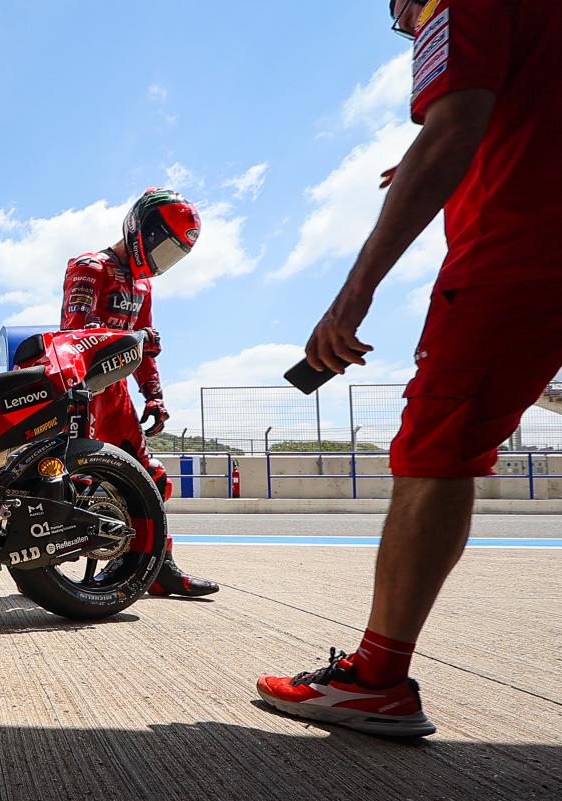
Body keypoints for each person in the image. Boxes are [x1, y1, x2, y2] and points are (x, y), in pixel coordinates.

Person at [257, 0, 562, 736]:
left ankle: (377, 679)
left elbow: (453, 128)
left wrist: (351, 295)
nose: (411, 24)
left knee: (436, 448)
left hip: (519, 253)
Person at [60, 188, 219, 597]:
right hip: (82, 390)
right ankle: (46, 570)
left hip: (116, 394)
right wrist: (134, 338)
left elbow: (145, 349)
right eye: (161, 245)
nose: (161, 259)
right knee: (70, 481)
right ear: (140, 228)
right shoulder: (89, 266)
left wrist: (154, 395)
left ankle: (157, 567)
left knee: (152, 480)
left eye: (172, 254)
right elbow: (74, 332)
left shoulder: (143, 286)